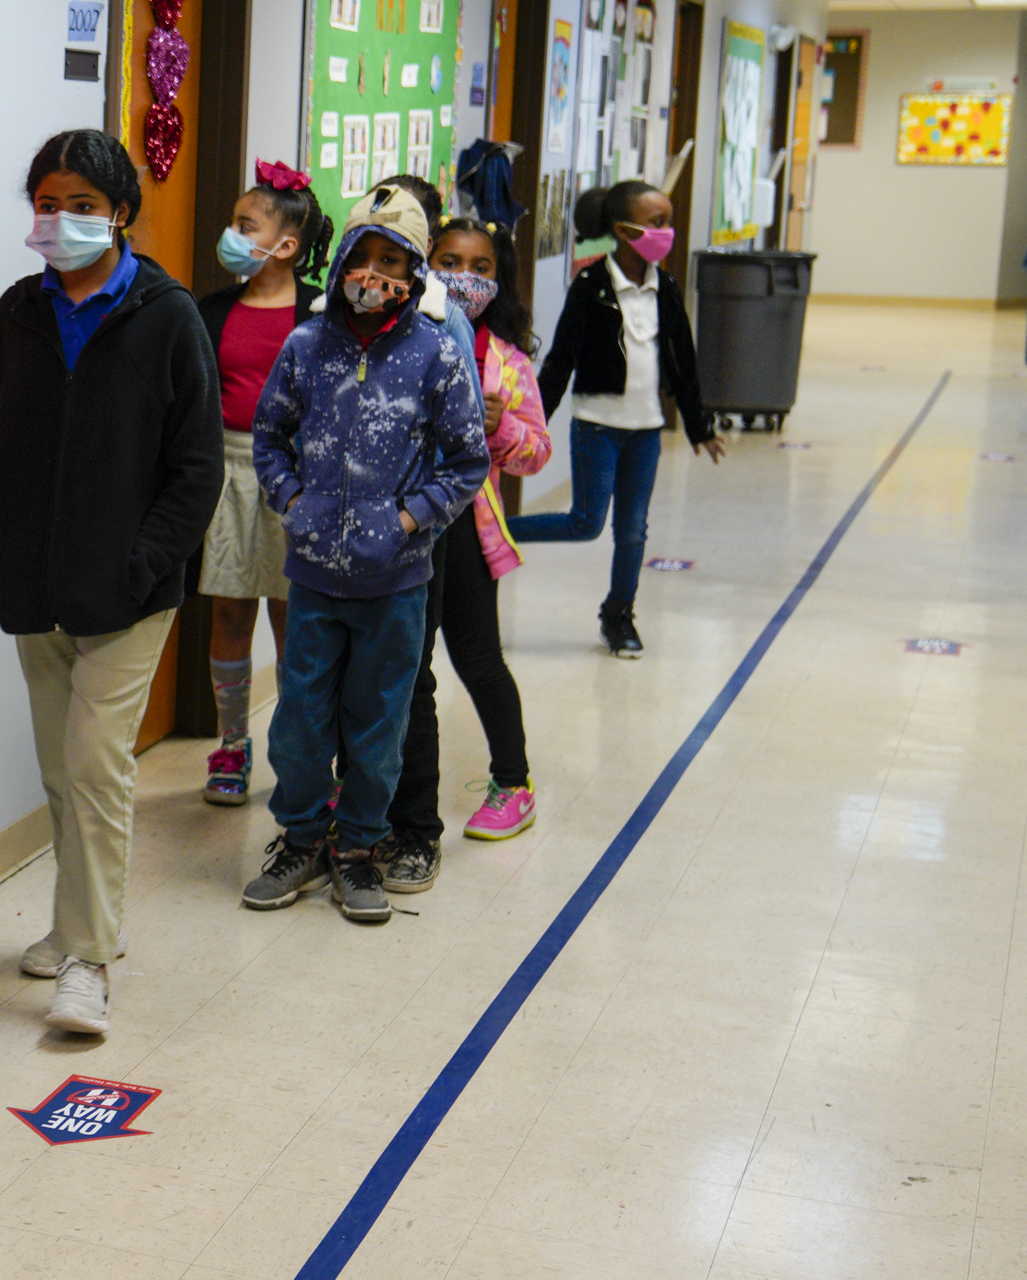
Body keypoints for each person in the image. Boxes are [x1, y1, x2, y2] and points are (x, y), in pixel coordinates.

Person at [0, 129, 217, 1042]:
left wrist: (144, 563)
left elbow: (195, 471)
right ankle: (75, 922)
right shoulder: (18, 312)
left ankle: (89, 962)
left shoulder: (166, 314)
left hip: (127, 593)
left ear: (120, 213)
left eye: (79, 203)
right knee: (58, 770)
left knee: (97, 765)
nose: (60, 220)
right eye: (45, 201)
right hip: (36, 586)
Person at [242, 183, 490, 925]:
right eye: (362, 258)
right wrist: (293, 503)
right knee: (299, 724)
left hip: (396, 583)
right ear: (342, 259)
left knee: (379, 729)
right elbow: (268, 438)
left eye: (394, 262)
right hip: (313, 579)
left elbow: (466, 461)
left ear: (416, 273)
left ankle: (360, 850)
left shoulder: (436, 355)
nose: (374, 275)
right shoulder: (305, 346)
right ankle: (302, 840)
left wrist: (412, 520)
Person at [392, 213, 551, 883]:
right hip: (400, 527)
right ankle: (382, 789)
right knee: (402, 666)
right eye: (448, 260)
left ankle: (512, 782)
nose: (463, 276)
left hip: (464, 530)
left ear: (499, 279)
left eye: (480, 267)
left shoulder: (506, 362)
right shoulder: (402, 337)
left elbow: (537, 453)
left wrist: (502, 425)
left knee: (478, 659)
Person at [518, 176, 720, 656]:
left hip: (645, 431)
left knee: (632, 531)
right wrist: (533, 421)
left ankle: (619, 615)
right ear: (624, 231)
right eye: (658, 223)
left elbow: (683, 361)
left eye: (668, 222)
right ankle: (494, 531)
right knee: (585, 522)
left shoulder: (665, 288)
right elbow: (561, 358)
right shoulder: (590, 287)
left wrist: (699, 426)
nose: (667, 232)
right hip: (598, 427)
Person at [197, 162, 329, 809]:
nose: (232, 235)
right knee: (228, 610)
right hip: (227, 473)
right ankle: (231, 744)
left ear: (286, 246)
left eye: (245, 226)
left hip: (296, 478)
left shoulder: (319, 313)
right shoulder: (211, 309)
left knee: (292, 619)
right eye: (233, 223)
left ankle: (296, 748)